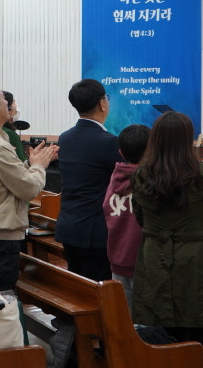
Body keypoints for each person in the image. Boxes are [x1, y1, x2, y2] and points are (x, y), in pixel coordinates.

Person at [130, 111, 203, 368]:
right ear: (188, 140)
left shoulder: (142, 175)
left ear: (155, 139)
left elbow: (140, 217)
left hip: (156, 256)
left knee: (163, 334)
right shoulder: (202, 174)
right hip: (197, 260)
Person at [0, 77, 57, 291]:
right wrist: (39, 166)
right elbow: (28, 189)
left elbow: (1, 178)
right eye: (4, 98)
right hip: (0, 238)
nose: (9, 103)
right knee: (1, 301)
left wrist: (29, 163)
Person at [55, 79, 124, 281]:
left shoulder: (65, 138)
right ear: (102, 103)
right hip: (95, 232)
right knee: (99, 289)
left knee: (78, 287)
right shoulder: (109, 142)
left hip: (69, 226)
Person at [101, 124, 150, 314]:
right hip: (142, 261)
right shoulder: (151, 180)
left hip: (117, 256)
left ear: (120, 152)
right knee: (144, 321)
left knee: (123, 318)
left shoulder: (116, 176)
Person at [1, 91, 27, 162]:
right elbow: (22, 163)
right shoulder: (10, 134)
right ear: (7, 109)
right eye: (14, 102)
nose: (16, 107)